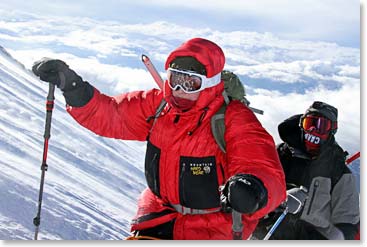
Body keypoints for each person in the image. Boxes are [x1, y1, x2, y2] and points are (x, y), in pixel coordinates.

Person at [32, 37, 286, 240]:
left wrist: (254, 187)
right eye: (176, 80)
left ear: (210, 83)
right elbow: (110, 115)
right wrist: (72, 85)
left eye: (191, 83)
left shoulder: (232, 118)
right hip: (157, 216)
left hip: (211, 228)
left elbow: (263, 166)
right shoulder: (158, 106)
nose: (180, 90)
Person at [253, 101, 360, 240]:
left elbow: (347, 225)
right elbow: (257, 187)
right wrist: (280, 200)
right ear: (300, 124)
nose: (312, 131)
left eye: (321, 126)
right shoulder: (281, 154)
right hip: (266, 233)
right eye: (309, 123)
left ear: (331, 131)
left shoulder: (339, 173)